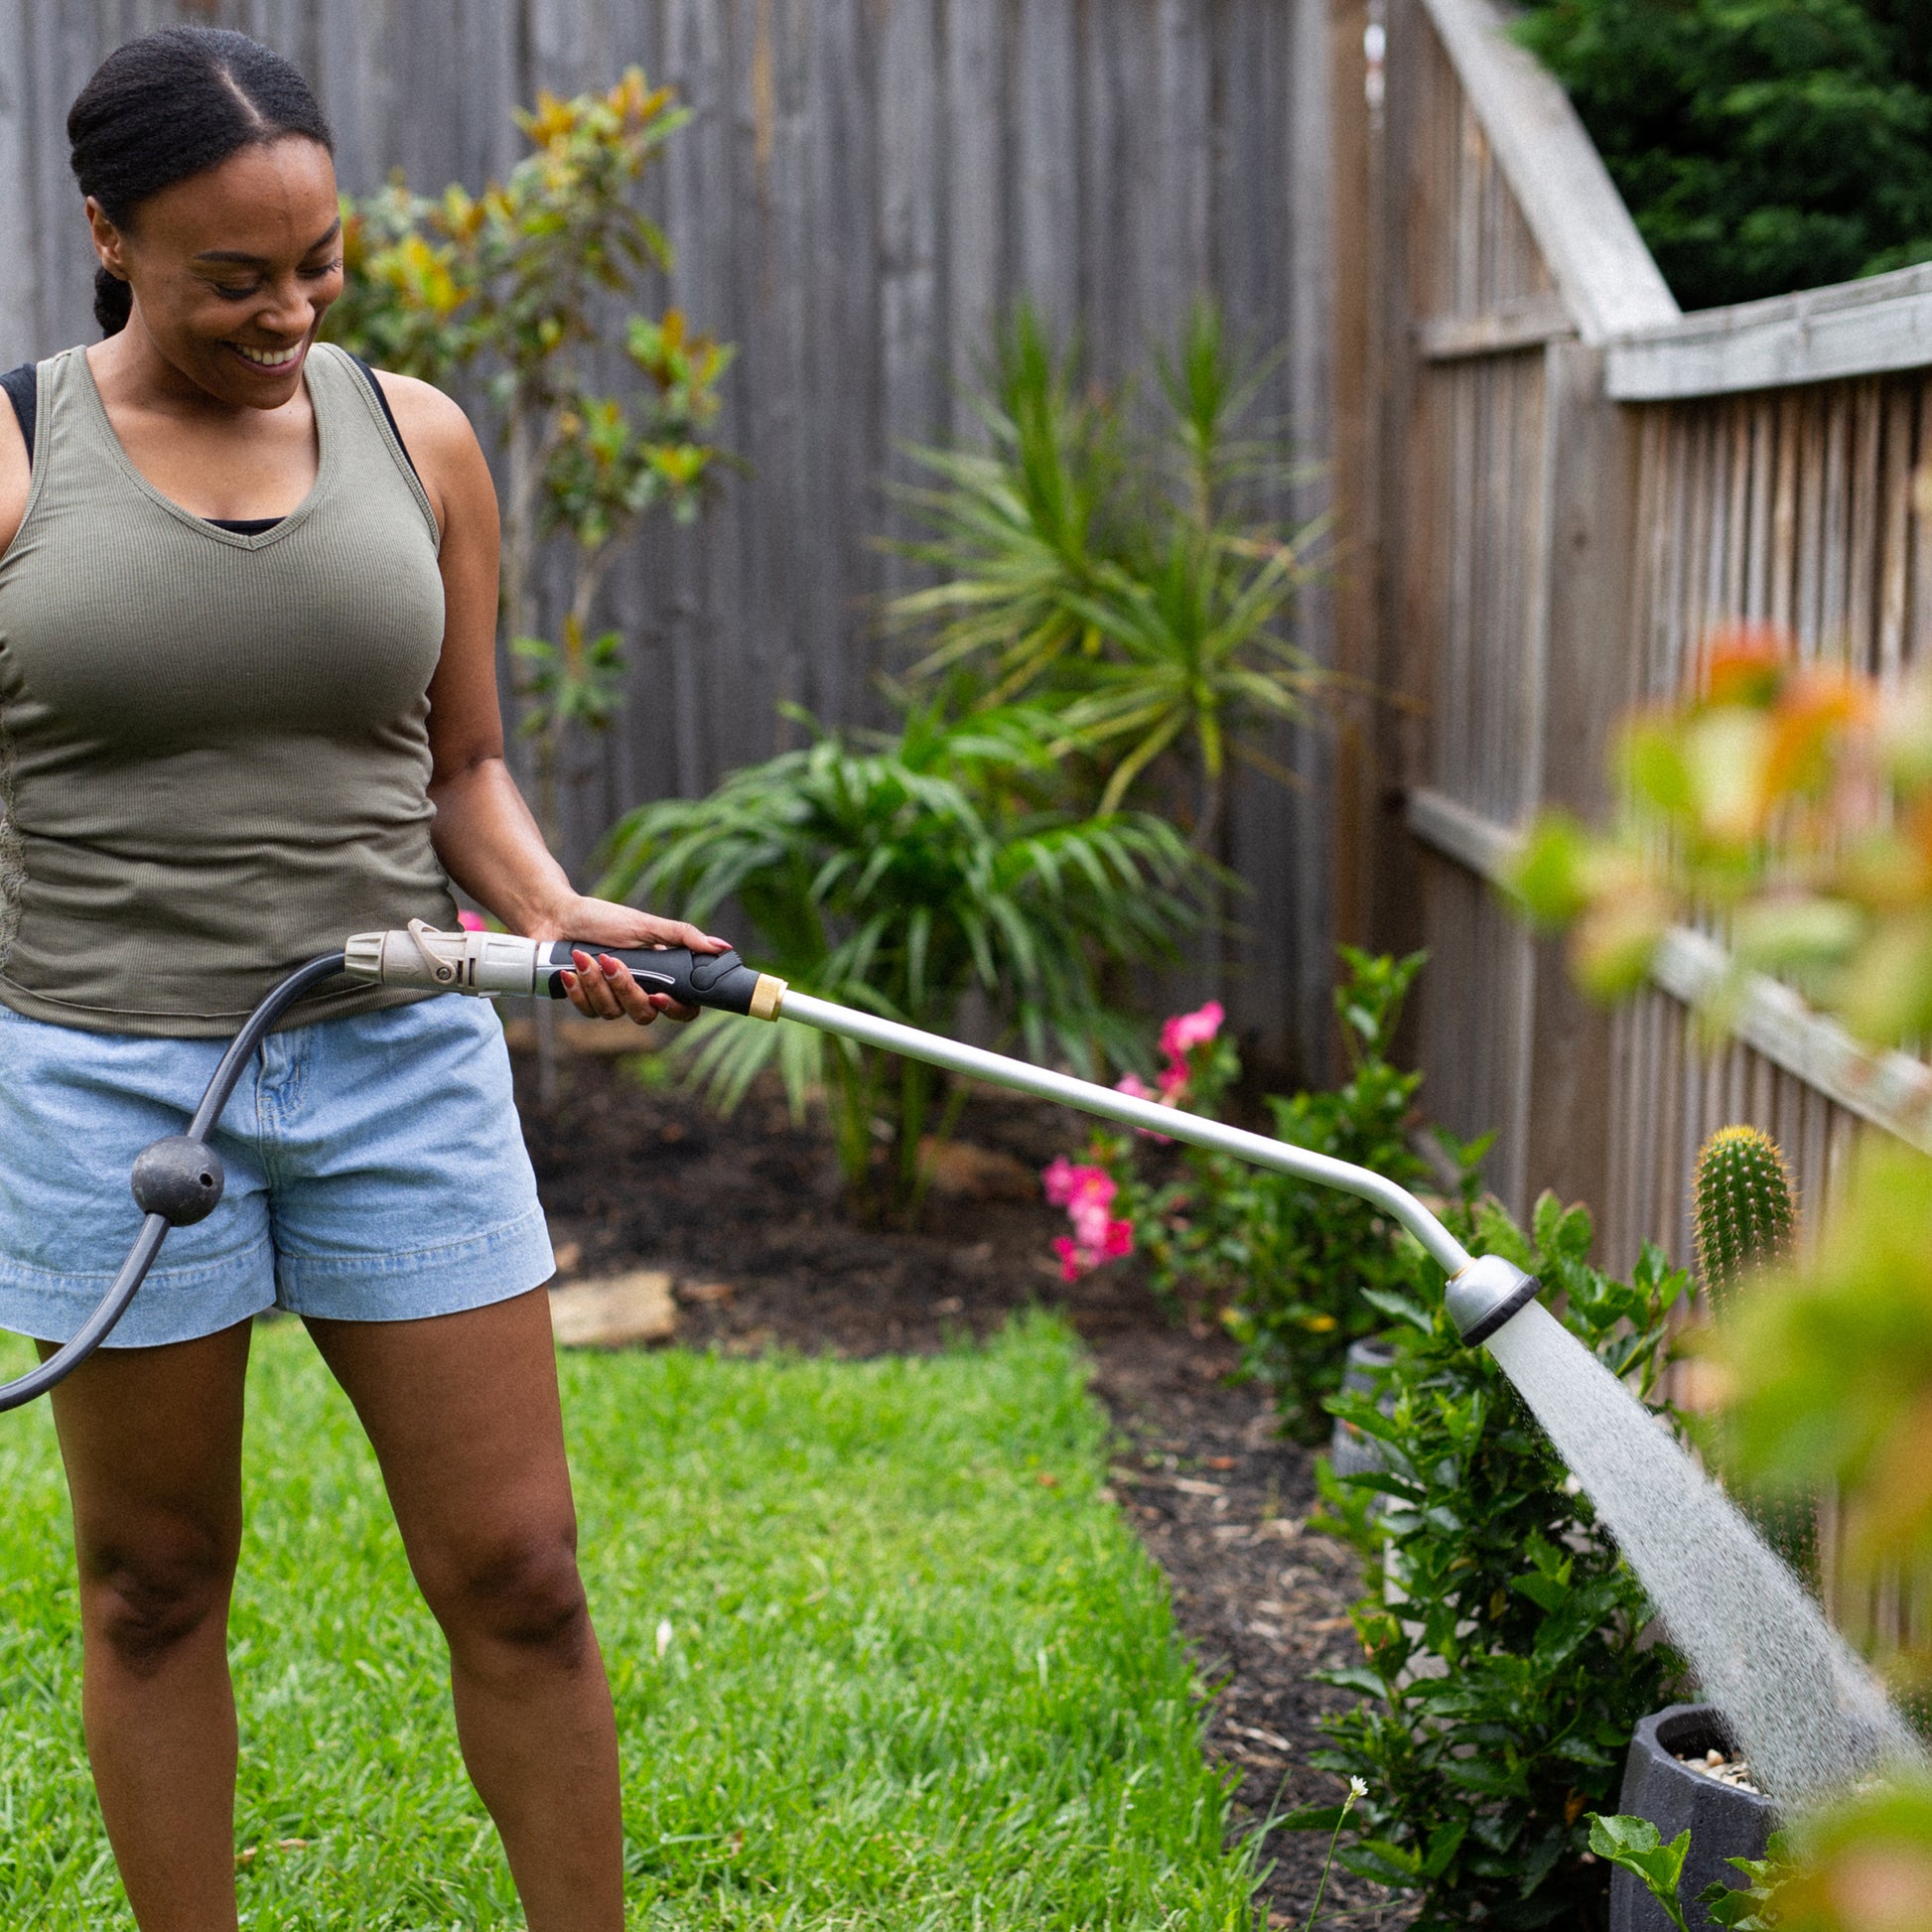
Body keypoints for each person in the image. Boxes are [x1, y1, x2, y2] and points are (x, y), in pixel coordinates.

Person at [0, 26, 710, 1931]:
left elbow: (459, 762)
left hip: (397, 1056)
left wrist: (555, 915)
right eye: (237, 274)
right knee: (153, 1581)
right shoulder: (12, 448)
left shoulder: (420, 436)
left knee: (523, 1572)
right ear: (109, 236)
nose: (289, 307)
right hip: (107, 1082)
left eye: (319, 262)